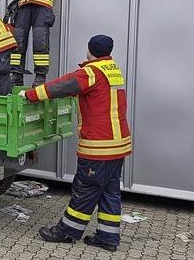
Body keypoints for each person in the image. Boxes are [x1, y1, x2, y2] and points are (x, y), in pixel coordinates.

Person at [20, 35, 131, 252]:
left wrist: (31, 95)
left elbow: (62, 86)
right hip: (118, 145)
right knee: (109, 192)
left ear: (89, 50)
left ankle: (66, 232)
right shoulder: (113, 69)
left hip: (99, 147)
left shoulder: (91, 72)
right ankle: (108, 238)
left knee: (86, 190)